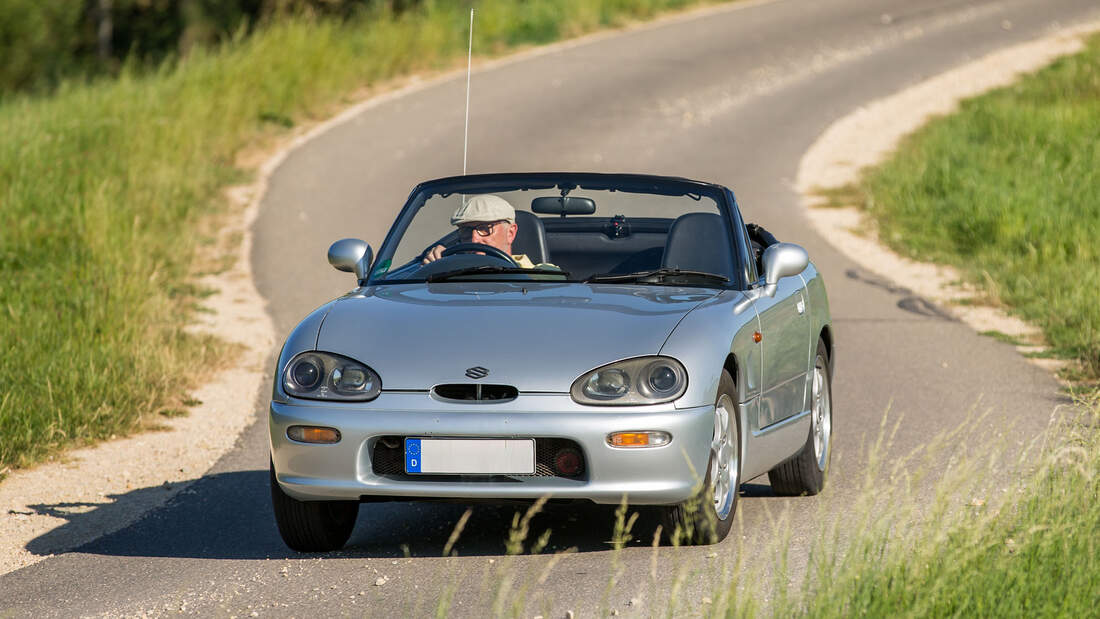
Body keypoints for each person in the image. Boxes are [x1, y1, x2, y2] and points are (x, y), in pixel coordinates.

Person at [422, 194, 554, 269]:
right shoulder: (450, 271)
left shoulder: (542, 274)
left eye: (485, 229)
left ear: (510, 233)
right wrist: (434, 265)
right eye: (466, 231)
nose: (474, 239)